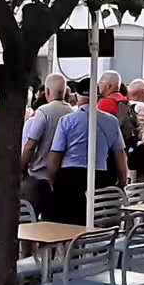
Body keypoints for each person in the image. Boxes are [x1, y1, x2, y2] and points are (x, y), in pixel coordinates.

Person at [49, 91, 124, 226]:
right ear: (99, 98)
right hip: (100, 176)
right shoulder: (111, 121)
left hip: (69, 177)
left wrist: (52, 179)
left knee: (66, 225)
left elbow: (56, 153)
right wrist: (123, 180)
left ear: (77, 96)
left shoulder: (67, 120)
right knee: (96, 221)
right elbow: (120, 154)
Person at [20, 74, 70, 218]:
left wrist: (22, 167)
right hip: (60, 177)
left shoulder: (43, 112)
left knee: (28, 220)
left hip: (38, 175)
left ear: (47, 91)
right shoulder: (72, 112)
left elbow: (30, 145)